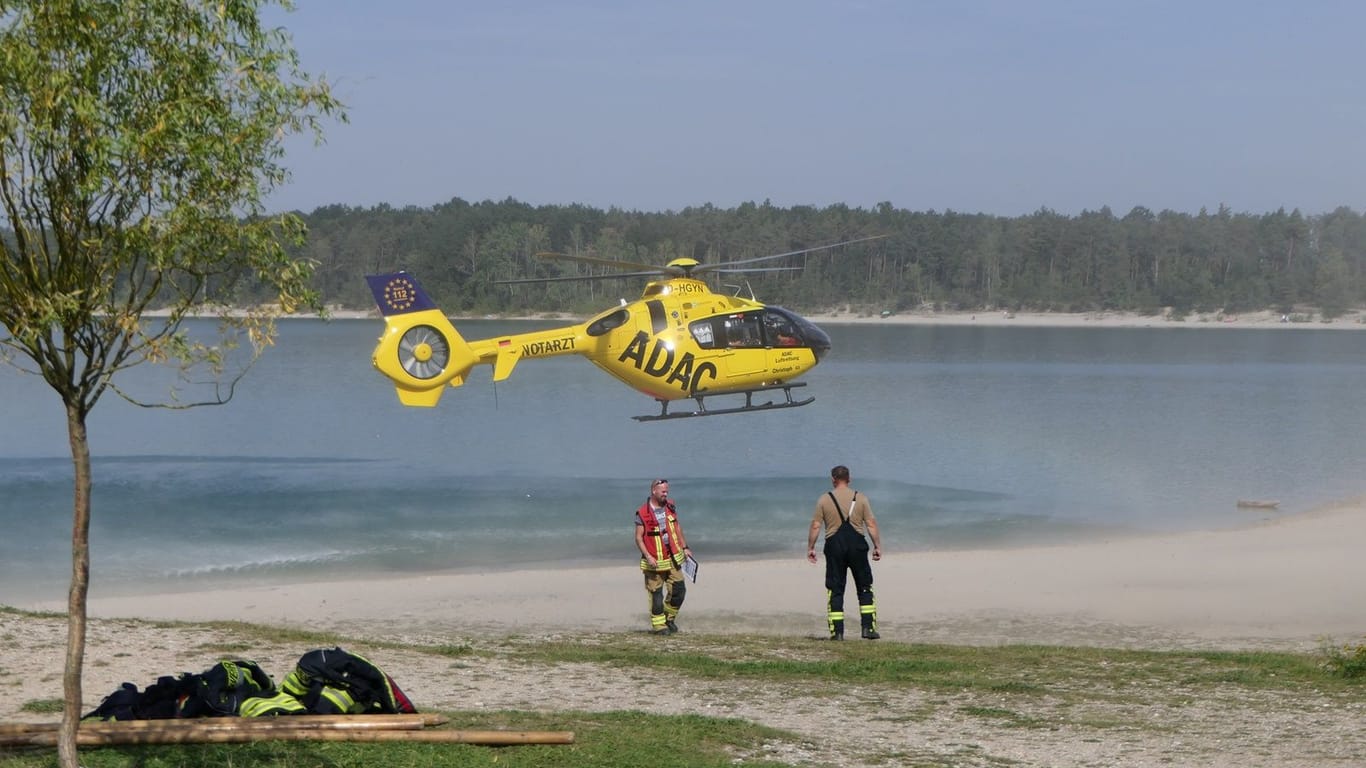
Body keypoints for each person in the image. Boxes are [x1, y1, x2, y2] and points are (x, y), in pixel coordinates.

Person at [807, 465, 883, 640]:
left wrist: (811, 548)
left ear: (833, 479)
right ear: (849, 479)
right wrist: (877, 546)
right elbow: (871, 524)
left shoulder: (824, 500)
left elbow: (816, 526)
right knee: (865, 586)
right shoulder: (861, 498)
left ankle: (837, 633)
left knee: (835, 588)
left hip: (835, 547)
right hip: (857, 547)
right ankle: (868, 629)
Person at [635, 478, 692, 635]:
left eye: (667, 491)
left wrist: (685, 547)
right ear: (654, 491)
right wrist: (647, 556)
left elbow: (677, 528)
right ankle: (659, 626)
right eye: (663, 491)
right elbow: (639, 538)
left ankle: (669, 618)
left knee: (679, 590)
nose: (666, 493)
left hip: (673, 557)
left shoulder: (670, 506)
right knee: (656, 594)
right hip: (654, 561)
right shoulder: (642, 513)